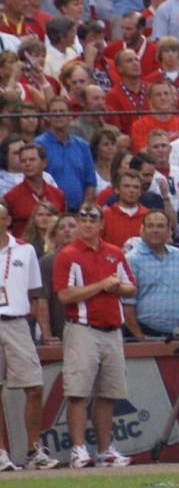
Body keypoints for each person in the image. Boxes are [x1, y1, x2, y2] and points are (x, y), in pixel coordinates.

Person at [50, 193, 137, 468]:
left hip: (112, 329)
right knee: (78, 390)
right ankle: (78, 449)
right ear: (77, 223)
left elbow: (130, 286)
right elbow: (64, 295)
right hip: (82, 329)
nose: (87, 223)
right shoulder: (68, 255)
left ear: (101, 224)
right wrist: (102, 285)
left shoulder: (115, 252)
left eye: (93, 219)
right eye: (83, 219)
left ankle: (104, 448)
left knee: (108, 392)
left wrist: (115, 286)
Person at [0, 200, 54, 471]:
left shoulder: (25, 250)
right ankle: (0, 454)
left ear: (8, 220)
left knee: (34, 386)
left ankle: (34, 450)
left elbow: (36, 295)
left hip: (17, 321)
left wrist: (44, 331)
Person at [123, 210, 179, 338]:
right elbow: (127, 305)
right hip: (143, 334)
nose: (155, 230)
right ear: (142, 229)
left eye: (160, 226)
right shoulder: (131, 259)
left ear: (169, 231)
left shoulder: (178, 256)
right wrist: (139, 337)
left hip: (178, 335)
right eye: (150, 226)